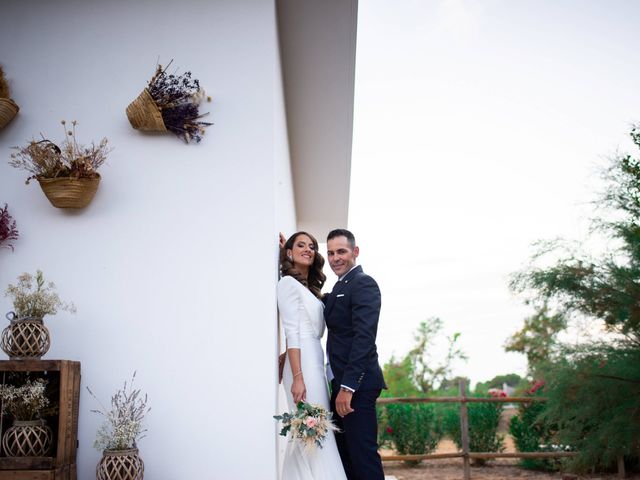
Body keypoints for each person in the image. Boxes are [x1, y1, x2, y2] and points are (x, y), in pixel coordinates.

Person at [278, 232, 347, 480]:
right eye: (300, 245)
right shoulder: (287, 284)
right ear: (288, 253)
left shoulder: (308, 289)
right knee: (313, 431)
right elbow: (292, 332)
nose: (307, 249)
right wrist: (297, 376)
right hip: (303, 367)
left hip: (314, 361)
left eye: (311, 246)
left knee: (315, 431)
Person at [324, 228, 386, 480]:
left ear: (355, 252)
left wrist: (347, 388)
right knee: (345, 457)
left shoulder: (363, 283)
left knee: (362, 457)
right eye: (330, 253)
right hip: (342, 383)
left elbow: (364, 338)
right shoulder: (340, 286)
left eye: (341, 251)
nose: (335, 258)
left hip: (356, 386)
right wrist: (291, 254)